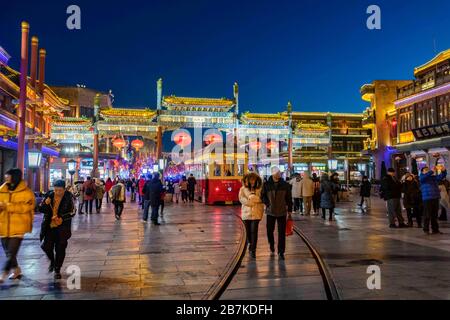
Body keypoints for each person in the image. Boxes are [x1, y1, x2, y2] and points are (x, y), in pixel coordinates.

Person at [0, 168, 35, 283]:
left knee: (12, 252)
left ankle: (4, 274)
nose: (6, 177)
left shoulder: (26, 192)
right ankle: (17, 270)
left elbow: (27, 207)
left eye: (8, 175)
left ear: (14, 176)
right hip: (3, 225)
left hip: (19, 226)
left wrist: (7, 206)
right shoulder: (2, 190)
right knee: (9, 252)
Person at [39, 180, 74, 279]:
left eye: (60, 190)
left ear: (64, 189)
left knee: (60, 248)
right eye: (55, 190)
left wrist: (62, 218)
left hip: (62, 227)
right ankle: (53, 261)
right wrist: (45, 204)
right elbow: (40, 209)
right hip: (49, 226)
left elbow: (72, 212)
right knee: (46, 246)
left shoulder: (68, 197)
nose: (57, 192)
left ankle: (57, 269)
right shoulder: (49, 195)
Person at [261, 166, 293, 260]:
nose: (279, 174)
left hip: (282, 211)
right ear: (273, 174)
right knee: (269, 231)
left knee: (281, 233)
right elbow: (262, 196)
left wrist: (290, 210)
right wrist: (267, 204)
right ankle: (271, 244)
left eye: (279, 172)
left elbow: (289, 198)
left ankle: (281, 251)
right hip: (270, 212)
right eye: (277, 172)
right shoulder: (266, 184)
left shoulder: (285, 184)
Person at [239, 172, 264, 259]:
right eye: (251, 179)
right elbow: (241, 198)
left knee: (254, 231)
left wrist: (253, 198)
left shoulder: (260, 189)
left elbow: (262, 199)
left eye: (254, 179)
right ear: (248, 180)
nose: (252, 181)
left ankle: (253, 250)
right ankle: (250, 243)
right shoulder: (243, 189)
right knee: (248, 232)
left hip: (257, 213)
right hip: (246, 213)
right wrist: (249, 202)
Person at [419, 166, 447, 234]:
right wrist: (431, 171)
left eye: (428, 170)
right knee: (427, 215)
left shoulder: (433, 177)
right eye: (426, 170)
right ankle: (426, 229)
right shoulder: (422, 177)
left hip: (435, 197)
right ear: (422, 172)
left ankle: (435, 229)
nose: (427, 171)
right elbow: (424, 177)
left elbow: (441, 177)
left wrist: (443, 171)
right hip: (427, 198)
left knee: (434, 215)